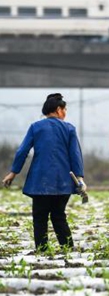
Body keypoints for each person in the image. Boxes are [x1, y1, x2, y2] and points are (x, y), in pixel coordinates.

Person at [2, 93, 85, 252]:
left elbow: (22, 151)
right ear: (59, 109)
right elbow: (75, 155)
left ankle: (42, 251)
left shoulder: (36, 127)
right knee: (59, 216)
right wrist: (79, 178)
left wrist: (13, 173)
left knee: (40, 218)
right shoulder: (69, 129)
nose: (65, 112)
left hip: (39, 181)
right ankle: (68, 250)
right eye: (65, 109)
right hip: (63, 182)